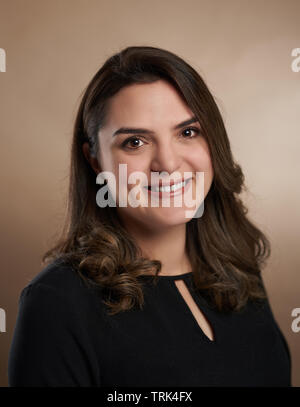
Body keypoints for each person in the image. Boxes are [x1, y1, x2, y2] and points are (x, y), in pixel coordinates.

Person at [8, 46, 291, 387]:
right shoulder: (57, 302)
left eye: (187, 132)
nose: (168, 164)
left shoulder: (237, 268)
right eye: (135, 142)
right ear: (95, 160)